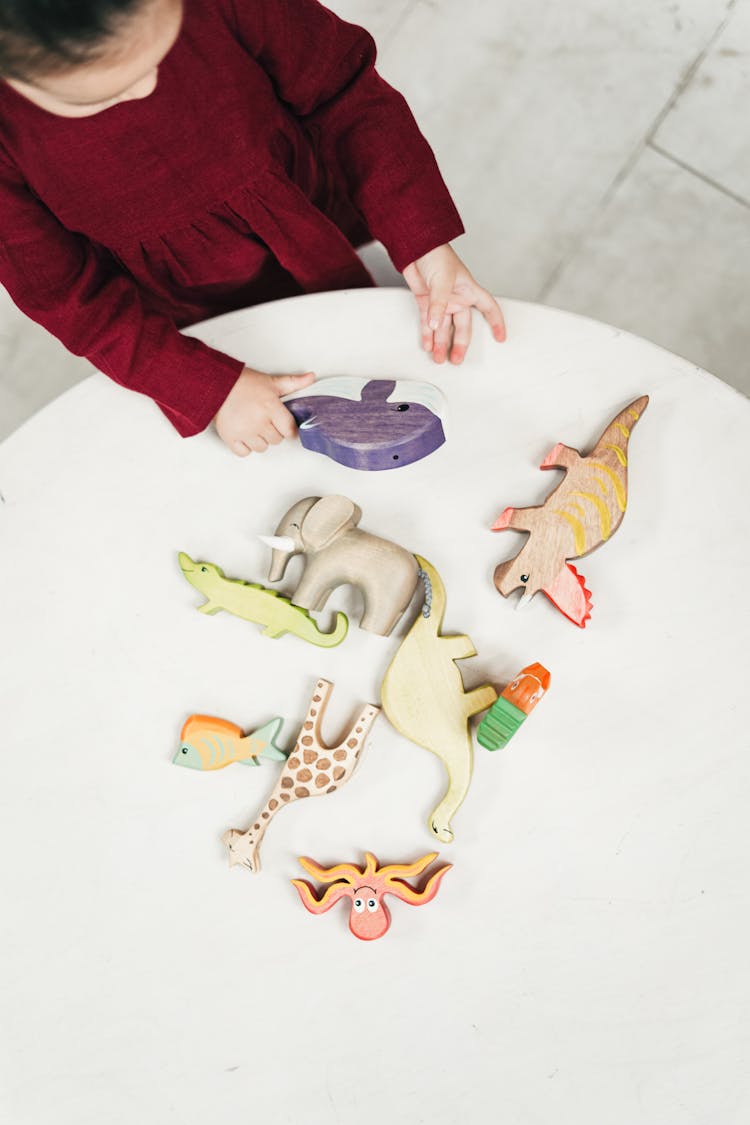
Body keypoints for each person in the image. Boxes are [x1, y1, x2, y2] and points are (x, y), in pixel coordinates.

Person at [0, 0, 505, 455]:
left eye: (161, 52)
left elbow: (344, 90)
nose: (148, 87)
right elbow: (67, 299)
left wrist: (422, 236)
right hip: (182, 306)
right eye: (100, 97)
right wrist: (209, 388)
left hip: (310, 213)